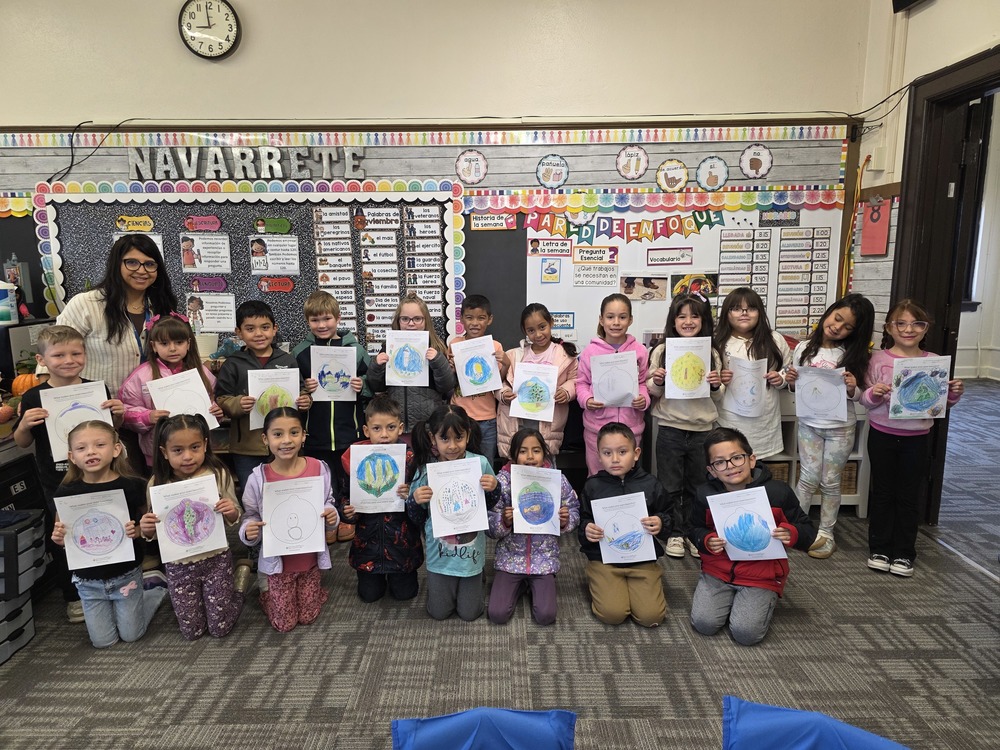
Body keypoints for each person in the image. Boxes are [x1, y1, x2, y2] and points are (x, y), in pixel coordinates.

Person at [12, 325, 125, 623]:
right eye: (59, 355)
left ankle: (114, 583)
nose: (69, 360)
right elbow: (23, 442)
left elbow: (112, 434)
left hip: (100, 475)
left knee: (104, 526)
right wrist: (24, 424)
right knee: (66, 535)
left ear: (85, 355)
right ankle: (73, 595)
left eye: (76, 353)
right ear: (42, 359)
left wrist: (119, 414)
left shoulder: (97, 389)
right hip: (57, 480)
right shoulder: (34, 396)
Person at [860, 299, 964, 578]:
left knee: (909, 495)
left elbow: (940, 403)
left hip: (917, 437)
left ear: (925, 328)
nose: (908, 329)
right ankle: (879, 548)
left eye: (916, 323)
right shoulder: (878, 360)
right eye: (901, 323)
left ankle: (904, 552)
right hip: (882, 434)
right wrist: (874, 394)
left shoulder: (933, 363)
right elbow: (865, 400)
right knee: (882, 492)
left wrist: (952, 393)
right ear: (889, 328)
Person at [689, 427, 815, 646]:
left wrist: (792, 533)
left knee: (745, 634)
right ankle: (731, 599)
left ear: (751, 459)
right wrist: (706, 540)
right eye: (720, 462)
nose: (730, 467)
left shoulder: (778, 493)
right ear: (712, 470)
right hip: (717, 571)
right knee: (704, 624)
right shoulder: (705, 494)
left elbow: (807, 529)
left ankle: (763, 599)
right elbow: (693, 528)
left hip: (761, 575)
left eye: (737, 458)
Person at [51, 421, 168, 648]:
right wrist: (59, 539)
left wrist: (139, 531)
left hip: (124, 574)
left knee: (131, 635)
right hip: (88, 580)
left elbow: (149, 527)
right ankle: (126, 605)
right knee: (103, 641)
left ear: (116, 449)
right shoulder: (67, 491)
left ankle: (154, 591)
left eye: (100, 445)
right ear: (72, 456)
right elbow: (62, 535)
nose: (91, 452)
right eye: (81, 448)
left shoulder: (132, 485)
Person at [140, 414, 249, 640]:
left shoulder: (217, 474)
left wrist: (230, 510)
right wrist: (147, 527)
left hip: (216, 559)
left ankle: (238, 585)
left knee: (219, 628)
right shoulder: (157, 484)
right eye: (178, 450)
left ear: (205, 445)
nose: (188, 456)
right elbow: (153, 533)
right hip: (179, 565)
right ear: (164, 452)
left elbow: (235, 515)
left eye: (195, 447)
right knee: (192, 631)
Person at [784, 293, 875, 559]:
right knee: (807, 478)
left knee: (831, 481)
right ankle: (798, 527)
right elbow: (795, 388)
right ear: (829, 312)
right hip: (809, 424)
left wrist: (851, 388)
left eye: (847, 326)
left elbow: (860, 396)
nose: (837, 327)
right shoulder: (803, 348)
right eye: (837, 318)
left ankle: (826, 533)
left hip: (840, 427)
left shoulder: (854, 354)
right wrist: (791, 379)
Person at [239, 408, 340, 632]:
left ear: (304, 435)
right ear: (265, 439)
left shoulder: (318, 468)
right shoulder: (259, 477)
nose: (287, 440)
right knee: (284, 624)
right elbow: (251, 515)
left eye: (294, 432)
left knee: (308, 616)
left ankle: (308, 593)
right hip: (278, 565)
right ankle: (268, 596)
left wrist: (331, 513)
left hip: (310, 560)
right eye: (278, 434)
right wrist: (248, 531)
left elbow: (328, 501)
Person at [647, 292, 730, 559]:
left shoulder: (712, 352)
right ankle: (673, 533)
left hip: (703, 430)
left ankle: (694, 533)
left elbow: (718, 395)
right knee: (670, 485)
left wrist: (716, 383)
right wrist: (657, 381)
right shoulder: (661, 350)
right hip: (670, 428)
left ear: (704, 320)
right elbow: (653, 392)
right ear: (673, 321)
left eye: (695, 316)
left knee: (698, 485)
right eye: (681, 316)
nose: (688, 321)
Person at [406, 404, 500, 621]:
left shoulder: (480, 463)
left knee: (470, 613)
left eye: (458, 437)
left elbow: (490, 504)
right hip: (439, 555)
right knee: (438, 613)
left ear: (467, 434)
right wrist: (415, 500)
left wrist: (494, 487)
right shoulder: (426, 469)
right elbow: (417, 518)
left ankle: (477, 577)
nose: (452, 446)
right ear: (432, 438)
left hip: (471, 555)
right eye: (444, 439)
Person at [56, 234, 178, 396]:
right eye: (132, 262)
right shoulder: (86, 304)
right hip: (101, 407)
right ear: (116, 264)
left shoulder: (162, 306)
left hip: (151, 407)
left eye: (149, 264)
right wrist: (42, 396)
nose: (141, 270)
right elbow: (54, 351)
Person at [293, 290, 370, 542]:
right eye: (315, 320)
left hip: (350, 428)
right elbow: (293, 392)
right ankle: (328, 520)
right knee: (321, 477)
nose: (322, 325)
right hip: (316, 430)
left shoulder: (355, 349)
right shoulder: (300, 352)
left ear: (337, 318)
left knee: (348, 476)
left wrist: (363, 385)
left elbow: (373, 383)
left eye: (326, 319)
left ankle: (348, 519)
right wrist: (305, 391)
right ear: (307, 322)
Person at [578, 422, 671, 628]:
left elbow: (669, 515)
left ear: (636, 453)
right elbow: (582, 519)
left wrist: (660, 522)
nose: (615, 459)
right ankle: (601, 580)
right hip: (605, 560)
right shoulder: (593, 485)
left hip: (642, 559)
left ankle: (641, 584)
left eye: (622, 452)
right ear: (599, 456)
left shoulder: (651, 484)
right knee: (613, 615)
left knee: (651, 617)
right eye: (607, 453)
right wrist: (587, 529)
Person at [214, 300, 310, 494]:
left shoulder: (288, 360)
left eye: (265, 327)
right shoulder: (233, 364)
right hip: (247, 447)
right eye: (250, 329)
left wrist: (306, 400)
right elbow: (221, 399)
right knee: (253, 493)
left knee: (285, 491)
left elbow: (301, 392)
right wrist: (238, 404)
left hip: (285, 444)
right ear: (238, 332)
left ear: (275, 329)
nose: (259, 334)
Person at [487, 428, 579, 625]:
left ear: (544, 453)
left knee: (546, 616)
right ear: (513, 455)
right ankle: (520, 585)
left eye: (536, 451)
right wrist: (504, 521)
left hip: (543, 559)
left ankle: (536, 584)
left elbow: (573, 509)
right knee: (497, 614)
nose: (530, 456)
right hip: (510, 559)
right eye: (522, 451)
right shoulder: (502, 482)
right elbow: (490, 525)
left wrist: (565, 521)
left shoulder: (555, 480)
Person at [339, 395, 423, 603]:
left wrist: (411, 493)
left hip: (402, 545)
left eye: (391, 427)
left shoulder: (410, 459)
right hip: (368, 545)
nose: (384, 434)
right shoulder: (354, 459)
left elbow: (422, 497)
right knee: (369, 595)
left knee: (405, 595)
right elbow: (344, 496)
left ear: (401, 428)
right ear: (366, 430)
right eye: (377, 429)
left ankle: (399, 577)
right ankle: (373, 579)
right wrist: (347, 512)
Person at [118, 313, 224, 468]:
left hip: (196, 453)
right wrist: (148, 416)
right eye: (164, 343)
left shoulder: (202, 373)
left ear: (188, 344)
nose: (172, 348)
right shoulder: (141, 376)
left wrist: (216, 413)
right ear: (154, 346)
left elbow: (210, 404)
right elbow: (125, 411)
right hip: (158, 454)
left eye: (179, 342)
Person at [576, 293, 650, 475]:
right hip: (597, 429)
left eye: (622, 317)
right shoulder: (590, 351)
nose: (616, 322)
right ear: (601, 320)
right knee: (597, 476)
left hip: (630, 428)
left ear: (630, 320)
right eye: (610, 317)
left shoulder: (639, 351)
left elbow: (643, 382)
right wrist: (587, 400)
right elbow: (581, 383)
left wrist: (644, 399)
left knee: (628, 479)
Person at [714, 287, 792, 459]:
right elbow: (709, 380)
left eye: (751, 308)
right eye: (736, 308)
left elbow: (787, 369)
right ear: (727, 313)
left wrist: (780, 379)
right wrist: (720, 379)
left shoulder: (774, 339)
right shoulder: (718, 341)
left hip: (764, 421)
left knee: (759, 471)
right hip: (729, 419)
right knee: (730, 463)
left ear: (760, 312)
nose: (744, 313)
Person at [366, 293, 456, 437]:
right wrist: (376, 366)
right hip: (394, 424)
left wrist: (438, 361)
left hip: (427, 425)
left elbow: (446, 386)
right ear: (398, 321)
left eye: (417, 319)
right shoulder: (389, 347)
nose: (411, 323)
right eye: (405, 319)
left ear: (425, 321)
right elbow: (377, 387)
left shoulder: (435, 348)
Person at [496, 303, 578, 462]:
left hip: (548, 425)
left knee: (546, 467)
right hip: (518, 424)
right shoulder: (514, 355)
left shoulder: (565, 355)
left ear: (551, 323)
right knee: (517, 467)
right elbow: (500, 383)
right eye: (531, 330)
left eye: (542, 327)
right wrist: (504, 394)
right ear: (524, 331)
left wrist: (567, 392)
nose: (538, 334)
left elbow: (576, 380)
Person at [448, 294, 508, 465]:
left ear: (489, 319)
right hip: (459, 415)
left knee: (485, 464)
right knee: (458, 462)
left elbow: (498, 381)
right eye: (469, 317)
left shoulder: (495, 346)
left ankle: (487, 493)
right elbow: (447, 382)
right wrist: (450, 368)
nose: (475, 323)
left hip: (487, 418)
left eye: (481, 318)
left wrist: (506, 363)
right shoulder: (454, 344)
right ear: (461, 319)